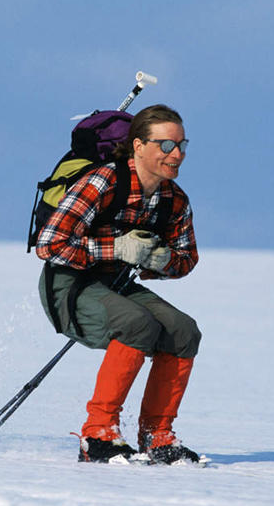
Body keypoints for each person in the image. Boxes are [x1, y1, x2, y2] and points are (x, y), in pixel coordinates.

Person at [35, 104, 201, 464]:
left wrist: (161, 261)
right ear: (138, 146)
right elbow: (50, 245)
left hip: (116, 284)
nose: (176, 155)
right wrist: (118, 248)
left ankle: (157, 437)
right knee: (136, 323)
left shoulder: (174, 200)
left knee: (184, 331)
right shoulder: (103, 182)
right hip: (67, 284)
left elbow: (187, 258)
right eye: (166, 146)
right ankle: (97, 434)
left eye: (182, 145)